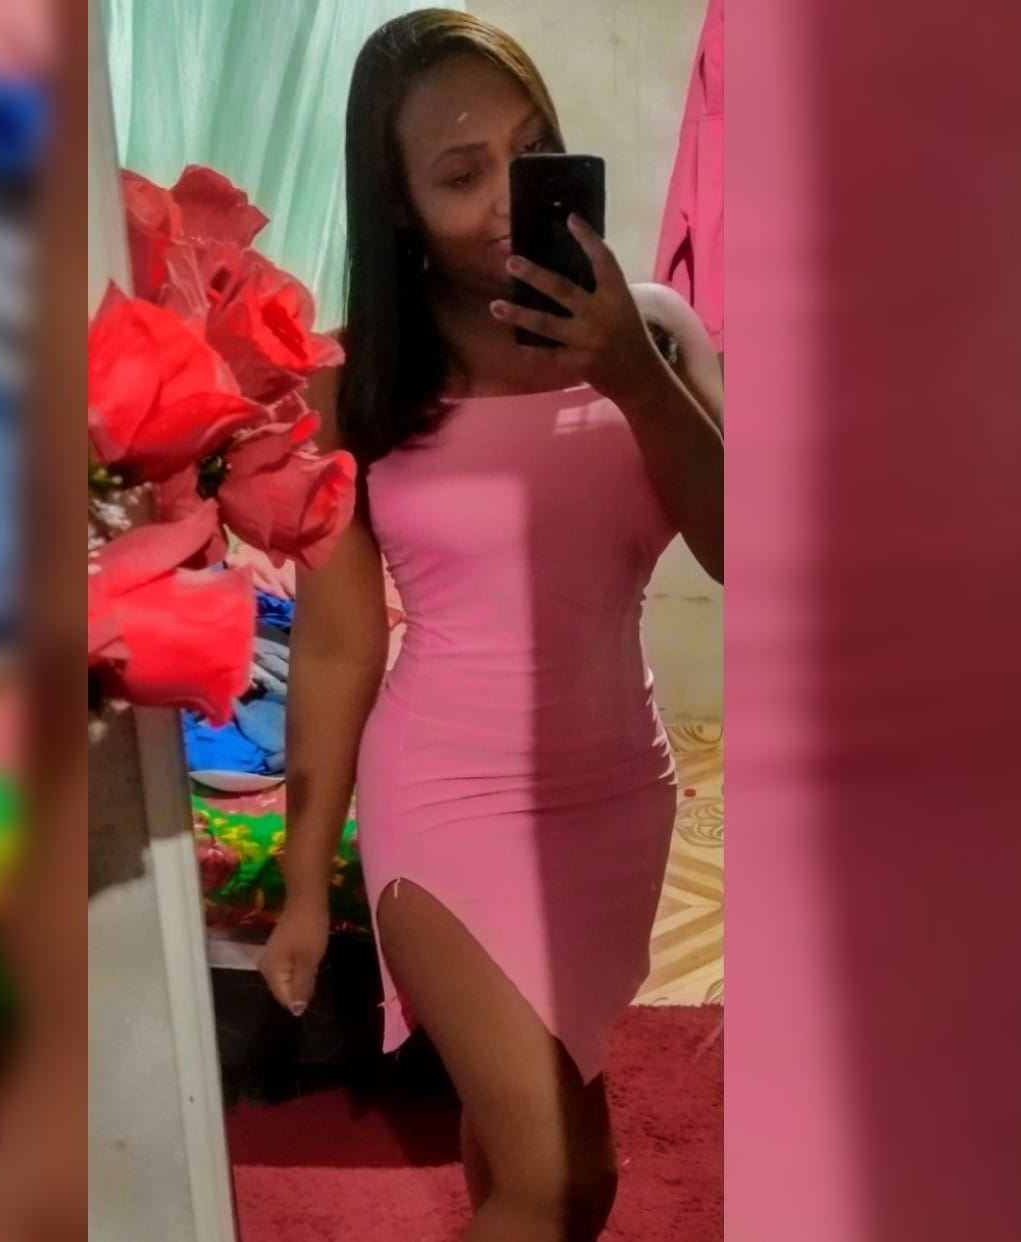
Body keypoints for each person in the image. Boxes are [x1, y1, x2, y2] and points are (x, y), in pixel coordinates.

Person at [258, 10, 723, 1240]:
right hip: (445, 799)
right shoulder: (352, 385)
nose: (508, 197)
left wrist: (632, 374)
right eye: (461, 175)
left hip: (617, 791)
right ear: (400, 207)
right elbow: (338, 645)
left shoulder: (656, 333)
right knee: (563, 1182)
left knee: (518, 1120)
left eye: (528, 153)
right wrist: (302, 883)